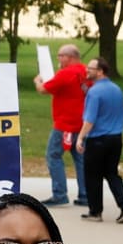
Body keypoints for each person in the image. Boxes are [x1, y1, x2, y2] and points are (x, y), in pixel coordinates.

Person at [76, 58, 123, 224]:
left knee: (92, 175)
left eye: (90, 68)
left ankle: (95, 211)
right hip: (115, 138)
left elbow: (90, 120)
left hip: (97, 139)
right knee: (111, 173)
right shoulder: (116, 89)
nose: (87, 70)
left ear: (100, 71)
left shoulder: (94, 92)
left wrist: (80, 137)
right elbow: (122, 113)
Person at [34, 44, 88, 207]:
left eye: (60, 56)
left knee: (53, 155)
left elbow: (44, 89)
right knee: (80, 159)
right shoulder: (86, 72)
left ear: (69, 57)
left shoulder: (66, 73)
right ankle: (85, 194)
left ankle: (59, 194)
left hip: (65, 124)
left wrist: (38, 81)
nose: (58, 59)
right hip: (82, 123)